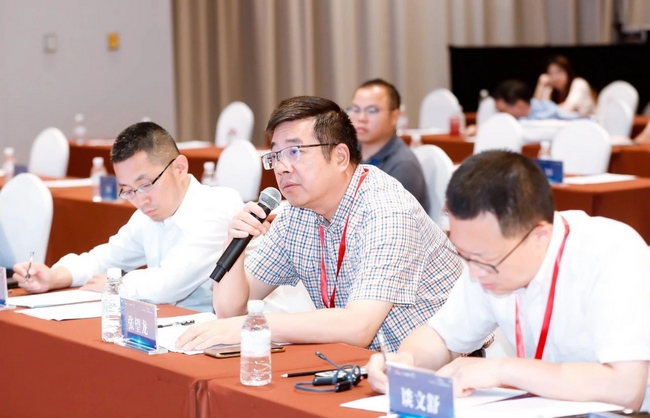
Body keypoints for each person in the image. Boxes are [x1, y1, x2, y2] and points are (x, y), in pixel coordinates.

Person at [366, 150, 650, 411]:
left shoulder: (612, 253)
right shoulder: (485, 258)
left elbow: (626, 388)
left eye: (485, 260)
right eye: (464, 256)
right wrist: (406, 362)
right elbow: (442, 337)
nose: (474, 273)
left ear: (539, 236)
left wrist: (503, 370)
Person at [176, 96, 462, 352]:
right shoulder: (296, 214)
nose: (281, 167)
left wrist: (258, 323)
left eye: (294, 152)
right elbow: (230, 313)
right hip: (361, 364)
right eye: (275, 155)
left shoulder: (386, 210)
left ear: (340, 157)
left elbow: (358, 327)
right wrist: (234, 243)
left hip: (437, 370)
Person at [12, 122, 244, 312]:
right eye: (128, 190)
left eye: (146, 184)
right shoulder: (147, 215)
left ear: (179, 168)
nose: (140, 199)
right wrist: (54, 276)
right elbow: (106, 258)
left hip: (227, 330)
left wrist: (117, 284)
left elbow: (169, 283)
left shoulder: (217, 206)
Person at [348, 79, 430, 213]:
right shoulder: (347, 152)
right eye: (356, 109)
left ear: (394, 116)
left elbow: (390, 218)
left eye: (372, 110)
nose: (361, 118)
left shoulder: (403, 165)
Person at [493, 79, 582, 121]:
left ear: (520, 105)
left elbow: (577, 118)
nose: (499, 115)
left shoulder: (547, 111)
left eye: (502, 111)